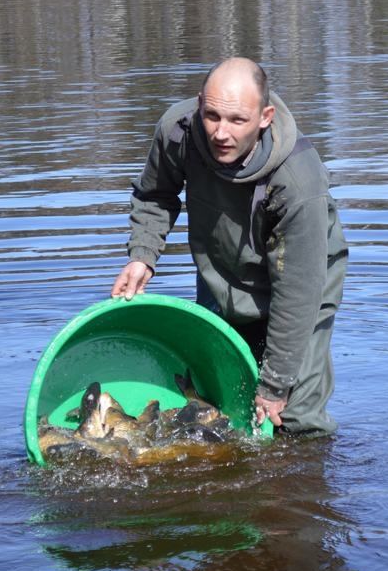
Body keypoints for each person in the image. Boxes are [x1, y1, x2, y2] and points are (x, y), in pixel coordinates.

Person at [111, 57, 348, 436]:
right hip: (221, 267)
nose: (222, 133)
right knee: (218, 402)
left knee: (294, 418)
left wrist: (274, 386)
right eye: (212, 116)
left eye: (237, 120)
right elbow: (156, 194)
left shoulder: (298, 180)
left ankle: (304, 489)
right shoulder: (178, 131)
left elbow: (298, 293)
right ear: (199, 103)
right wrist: (143, 256)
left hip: (301, 282)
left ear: (265, 117)